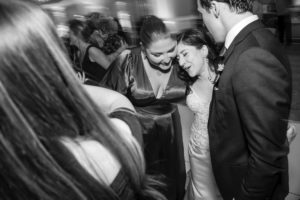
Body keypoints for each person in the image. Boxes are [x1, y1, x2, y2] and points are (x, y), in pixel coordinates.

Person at [0, 1, 165, 200]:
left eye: (70, 34)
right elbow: (121, 110)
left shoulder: (92, 51)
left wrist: (118, 55)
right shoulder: (95, 156)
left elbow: (108, 67)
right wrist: (70, 84)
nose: (67, 38)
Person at [196, 0, 292, 199]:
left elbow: (266, 157)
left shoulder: (251, 54)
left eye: (201, 14)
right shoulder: (253, 39)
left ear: (214, 8)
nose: (203, 23)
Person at [100, 15, 186, 200]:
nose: (166, 59)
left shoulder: (183, 58)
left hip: (170, 130)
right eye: (157, 54)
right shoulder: (127, 60)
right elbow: (106, 98)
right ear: (142, 47)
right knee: (145, 184)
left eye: (170, 50)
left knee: (172, 181)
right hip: (140, 132)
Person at [176, 28, 223, 200]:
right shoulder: (187, 79)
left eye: (185, 54)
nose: (180, 62)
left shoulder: (227, 75)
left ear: (203, 50)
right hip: (198, 150)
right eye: (178, 57)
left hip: (224, 152)